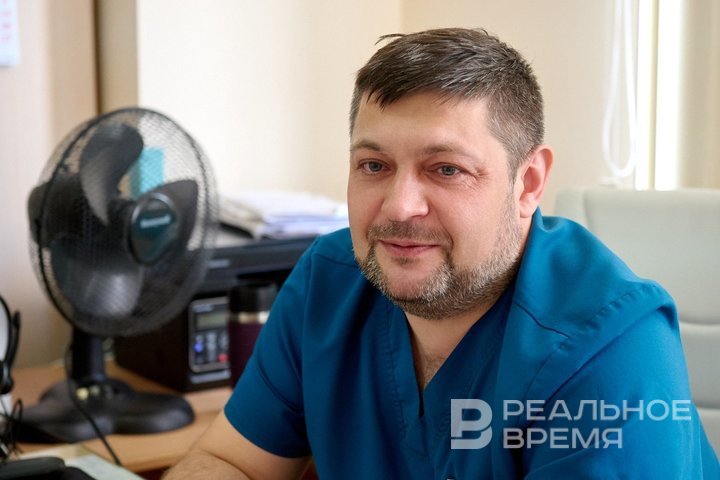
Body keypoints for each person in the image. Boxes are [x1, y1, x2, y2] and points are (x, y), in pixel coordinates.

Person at [164, 27, 719, 479]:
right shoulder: (328, 282)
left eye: (447, 169)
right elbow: (231, 461)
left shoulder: (610, 353)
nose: (399, 206)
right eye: (374, 166)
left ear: (527, 184)